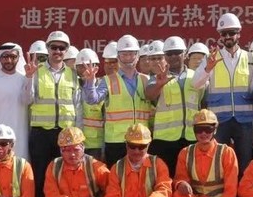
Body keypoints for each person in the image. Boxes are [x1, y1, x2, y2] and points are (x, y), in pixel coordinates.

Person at [22, 30, 80, 197]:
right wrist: (28, 78)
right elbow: (26, 99)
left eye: (61, 48)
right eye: (53, 47)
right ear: (47, 50)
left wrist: (77, 136)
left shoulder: (73, 74)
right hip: (40, 133)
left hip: (64, 135)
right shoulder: (36, 72)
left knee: (64, 181)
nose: (57, 51)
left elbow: (78, 106)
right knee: (39, 180)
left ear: (66, 51)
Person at [190, 13, 253, 175]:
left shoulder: (251, 58)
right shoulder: (212, 58)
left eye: (231, 33)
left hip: (244, 122)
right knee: (219, 166)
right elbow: (195, 84)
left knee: (244, 166)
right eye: (224, 34)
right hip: (219, 122)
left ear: (238, 34)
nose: (228, 37)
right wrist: (208, 68)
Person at [94, 34, 153, 166]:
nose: (128, 58)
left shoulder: (146, 80)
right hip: (117, 141)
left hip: (141, 140)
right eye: (124, 54)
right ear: (118, 56)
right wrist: (88, 82)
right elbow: (93, 99)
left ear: (137, 56)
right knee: (116, 180)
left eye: (131, 54)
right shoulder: (107, 80)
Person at [147, 35, 202, 172]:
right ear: (165, 56)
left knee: (190, 177)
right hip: (165, 140)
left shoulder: (195, 76)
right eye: (169, 54)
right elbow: (149, 95)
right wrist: (159, 84)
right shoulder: (157, 77)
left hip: (191, 136)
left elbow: (203, 103)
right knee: (166, 179)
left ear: (185, 54)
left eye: (177, 52)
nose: (173, 56)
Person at [74, 48, 108, 159]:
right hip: (75, 143)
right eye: (81, 66)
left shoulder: (102, 87)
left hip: (96, 144)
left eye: (88, 65)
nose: (85, 69)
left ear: (96, 67)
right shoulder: (73, 86)